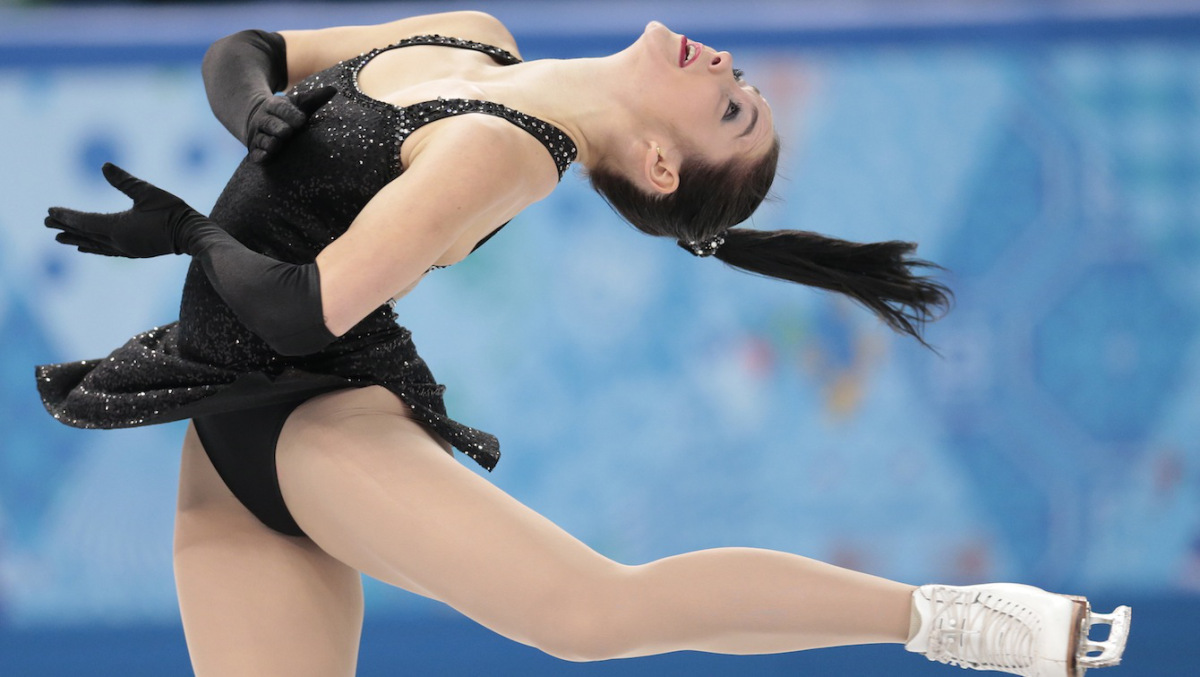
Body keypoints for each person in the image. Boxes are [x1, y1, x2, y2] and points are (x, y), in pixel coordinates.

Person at [37, 10, 1129, 677]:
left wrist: (189, 232)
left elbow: (300, 311)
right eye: (744, 87)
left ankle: (957, 618)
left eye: (732, 110)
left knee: (592, 611)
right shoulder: (474, 37)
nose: (729, 69)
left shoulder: (504, 152)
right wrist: (252, 112)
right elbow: (251, 49)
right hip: (221, 450)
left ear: (658, 164)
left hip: (307, 421)